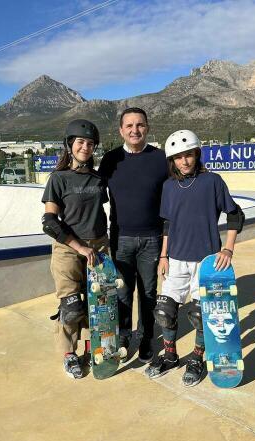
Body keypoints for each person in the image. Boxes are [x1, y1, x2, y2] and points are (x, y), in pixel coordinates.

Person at [145, 129, 245, 387]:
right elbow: (167, 223)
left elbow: (234, 215)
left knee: (201, 314)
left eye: (188, 155)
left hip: (206, 260)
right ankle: (170, 356)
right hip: (176, 259)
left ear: (197, 154)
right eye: (178, 157)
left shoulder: (212, 181)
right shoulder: (168, 186)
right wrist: (164, 255)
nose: (184, 161)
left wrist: (228, 249)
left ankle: (198, 358)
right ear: (172, 161)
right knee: (165, 311)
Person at [98, 107, 168, 363]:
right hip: (120, 239)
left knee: (148, 292)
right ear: (121, 131)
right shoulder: (110, 160)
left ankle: (147, 336)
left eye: (140, 125)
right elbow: (95, 198)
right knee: (122, 292)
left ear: (147, 127)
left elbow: (176, 194)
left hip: (152, 239)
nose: (134, 130)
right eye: (129, 126)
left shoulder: (161, 159)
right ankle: (125, 335)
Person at [42, 119, 109, 379]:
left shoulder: (97, 178)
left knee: (98, 303)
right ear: (70, 145)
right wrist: (78, 246)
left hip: (99, 245)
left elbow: (98, 210)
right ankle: (69, 355)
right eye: (81, 142)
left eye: (90, 144)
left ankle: (93, 349)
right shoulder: (58, 179)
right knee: (71, 306)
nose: (86, 147)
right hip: (68, 248)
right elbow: (49, 222)